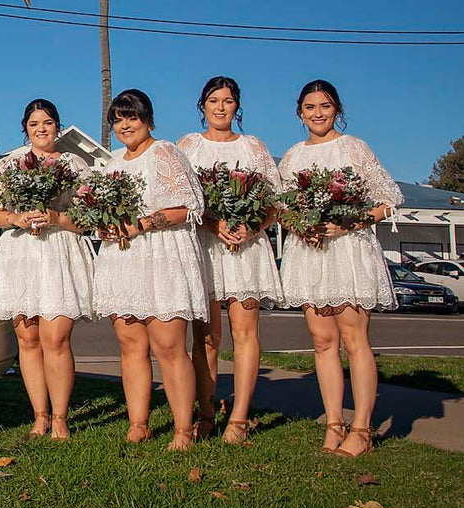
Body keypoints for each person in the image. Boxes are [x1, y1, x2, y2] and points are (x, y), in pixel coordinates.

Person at [279, 80, 402, 457]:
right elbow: (282, 209)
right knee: (322, 341)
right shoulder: (292, 156)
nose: (318, 113)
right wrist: (301, 224)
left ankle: (362, 429)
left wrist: (351, 221)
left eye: (326, 106)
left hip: (349, 251)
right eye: (310, 107)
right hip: (311, 254)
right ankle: (334, 423)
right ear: (300, 113)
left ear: (337, 111)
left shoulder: (354, 148)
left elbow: (389, 199)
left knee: (354, 339)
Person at [92, 89, 210, 451]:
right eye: (118, 120)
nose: (125, 125)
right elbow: (101, 210)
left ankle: (183, 430)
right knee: (130, 345)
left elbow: (189, 208)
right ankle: (138, 423)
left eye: (132, 117)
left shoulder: (166, 153)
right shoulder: (112, 163)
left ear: (148, 119)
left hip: (162, 256)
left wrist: (141, 224)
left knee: (169, 346)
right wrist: (104, 226)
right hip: (123, 259)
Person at [0, 98, 94, 440]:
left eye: (48, 123)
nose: (41, 129)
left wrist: (57, 218)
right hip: (22, 253)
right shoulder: (11, 163)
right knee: (27, 338)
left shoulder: (74, 164)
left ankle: (60, 418)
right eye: (34, 124)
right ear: (25, 129)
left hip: (59, 251)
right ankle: (39, 417)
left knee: (55, 337)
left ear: (57, 125)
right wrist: (16, 218)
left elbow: (88, 217)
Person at [177, 76, 285, 444]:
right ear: (202, 106)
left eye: (228, 100)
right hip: (205, 248)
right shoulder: (188, 146)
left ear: (237, 106)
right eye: (213, 100)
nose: (221, 107)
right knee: (206, 336)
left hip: (245, 250)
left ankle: (238, 418)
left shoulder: (253, 146)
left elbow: (274, 200)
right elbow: (180, 201)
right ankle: (206, 412)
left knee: (244, 333)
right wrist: (213, 222)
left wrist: (252, 228)